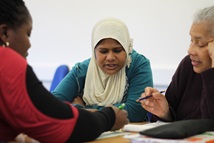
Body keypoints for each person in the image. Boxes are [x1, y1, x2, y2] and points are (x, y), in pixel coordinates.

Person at [0, 0, 129, 143]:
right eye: (27, 34)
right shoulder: (7, 62)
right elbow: (58, 118)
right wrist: (108, 116)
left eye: (117, 50)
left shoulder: (138, 64)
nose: (29, 44)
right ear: (4, 33)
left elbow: (136, 109)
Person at [52, 17, 153, 122]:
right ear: (94, 51)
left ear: (127, 48)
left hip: (129, 134)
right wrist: (110, 112)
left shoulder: (138, 65)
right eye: (103, 51)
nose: (110, 57)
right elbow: (52, 105)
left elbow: (136, 112)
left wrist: (84, 109)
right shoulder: (82, 71)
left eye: (117, 50)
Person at [139, 5, 214, 122]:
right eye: (191, 40)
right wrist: (165, 113)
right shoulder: (188, 65)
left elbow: (209, 123)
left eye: (200, 44)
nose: (190, 50)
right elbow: (174, 120)